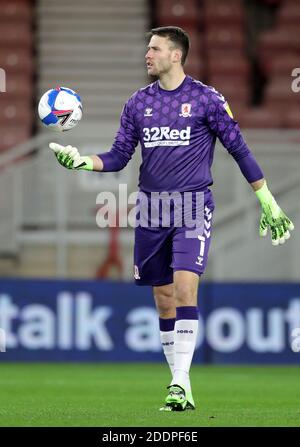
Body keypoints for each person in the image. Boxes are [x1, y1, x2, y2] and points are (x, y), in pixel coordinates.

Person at [49, 26, 294, 412]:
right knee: (163, 299)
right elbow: (118, 156)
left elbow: (239, 148)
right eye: (148, 48)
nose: (147, 54)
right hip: (151, 208)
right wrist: (83, 160)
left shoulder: (206, 99)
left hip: (193, 205)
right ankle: (179, 380)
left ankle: (180, 383)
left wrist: (265, 197)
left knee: (184, 290)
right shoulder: (136, 104)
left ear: (176, 55)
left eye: (155, 48)